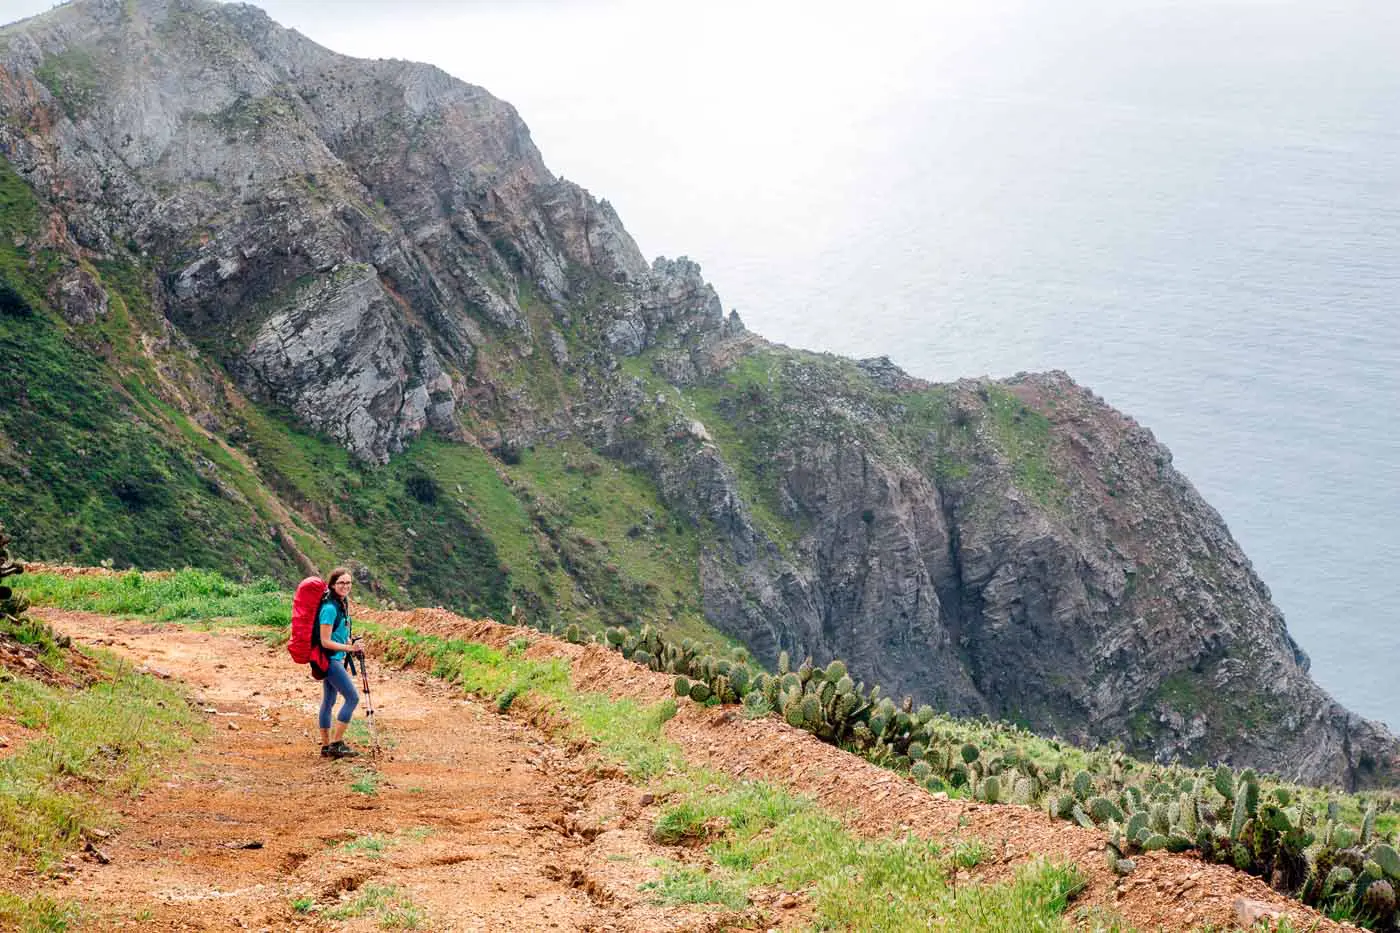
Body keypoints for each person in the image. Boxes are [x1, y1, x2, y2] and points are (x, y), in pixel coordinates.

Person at [317, 567, 363, 759]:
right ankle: (336, 744)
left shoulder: (341, 604)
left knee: (328, 701)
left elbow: (338, 634)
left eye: (348, 583)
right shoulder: (329, 608)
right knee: (352, 698)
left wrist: (350, 643)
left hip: (333, 659)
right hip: (330, 660)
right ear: (333, 585)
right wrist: (350, 649)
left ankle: (327, 746)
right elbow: (325, 641)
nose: (345, 586)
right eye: (341, 583)